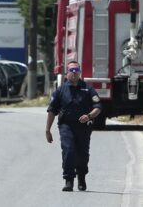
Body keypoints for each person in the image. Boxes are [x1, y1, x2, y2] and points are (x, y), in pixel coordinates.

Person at [45, 61, 102, 192]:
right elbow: (52, 110)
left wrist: (89, 116)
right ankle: (69, 180)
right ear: (67, 73)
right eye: (72, 71)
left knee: (83, 154)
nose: (74, 73)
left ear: (80, 72)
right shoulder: (61, 90)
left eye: (76, 70)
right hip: (66, 126)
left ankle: (81, 177)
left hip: (84, 127)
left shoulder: (88, 89)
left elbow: (98, 107)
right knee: (68, 150)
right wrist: (47, 130)